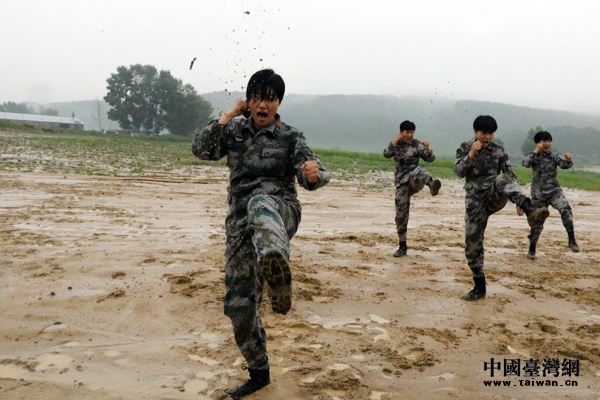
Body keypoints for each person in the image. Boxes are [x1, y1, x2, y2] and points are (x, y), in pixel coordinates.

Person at [192, 69, 329, 399]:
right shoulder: (235, 130)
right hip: (240, 227)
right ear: (248, 100)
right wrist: (227, 115)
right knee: (238, 307)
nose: (263, 104)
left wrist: (313, 175)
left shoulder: (291, 136)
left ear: (279, 102)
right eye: (257, 97)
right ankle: (258, 373)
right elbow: (200, 149)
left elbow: (313, 172)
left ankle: (275, 261)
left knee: (259, 201)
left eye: (270, 98)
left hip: (280, 212)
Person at [454, 115, 549, 301]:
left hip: (494, 195)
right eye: (483, 133)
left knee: (501, 178)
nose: (487, 137)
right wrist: (471, 154)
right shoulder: (465, 147)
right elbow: (458, 172)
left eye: (490, 133)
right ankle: (479, 286)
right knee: (472, 245)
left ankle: (530, 209)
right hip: (475, 202)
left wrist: (518, 200)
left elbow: (510, 175)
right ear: (476, 132)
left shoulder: (499, 151)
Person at [383, 120, 441, 257]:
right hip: (401, 183)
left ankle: (431, 184)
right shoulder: (396, 145)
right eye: (407, 132)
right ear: (401, 132)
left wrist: (427, 149)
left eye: (412, 132)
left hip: (415, 180)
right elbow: (386, 154)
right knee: (400, 215)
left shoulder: (417, 145)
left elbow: (430, 159)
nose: (410, 135)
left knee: (419, 170)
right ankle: (402, 246)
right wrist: (394, 141)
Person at [521, 130, 579, 260]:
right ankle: (532, 248)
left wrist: (569, 160)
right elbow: (525, 164)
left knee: (566, 210)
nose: (547, 144)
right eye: (544, 141)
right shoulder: (533, 156)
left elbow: (564, 165)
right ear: (538, 143)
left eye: (549, 141)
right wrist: (535, 151)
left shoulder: (554, 156)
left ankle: (572, 239)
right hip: (538, 194)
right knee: (538, 222)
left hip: (554, 191)